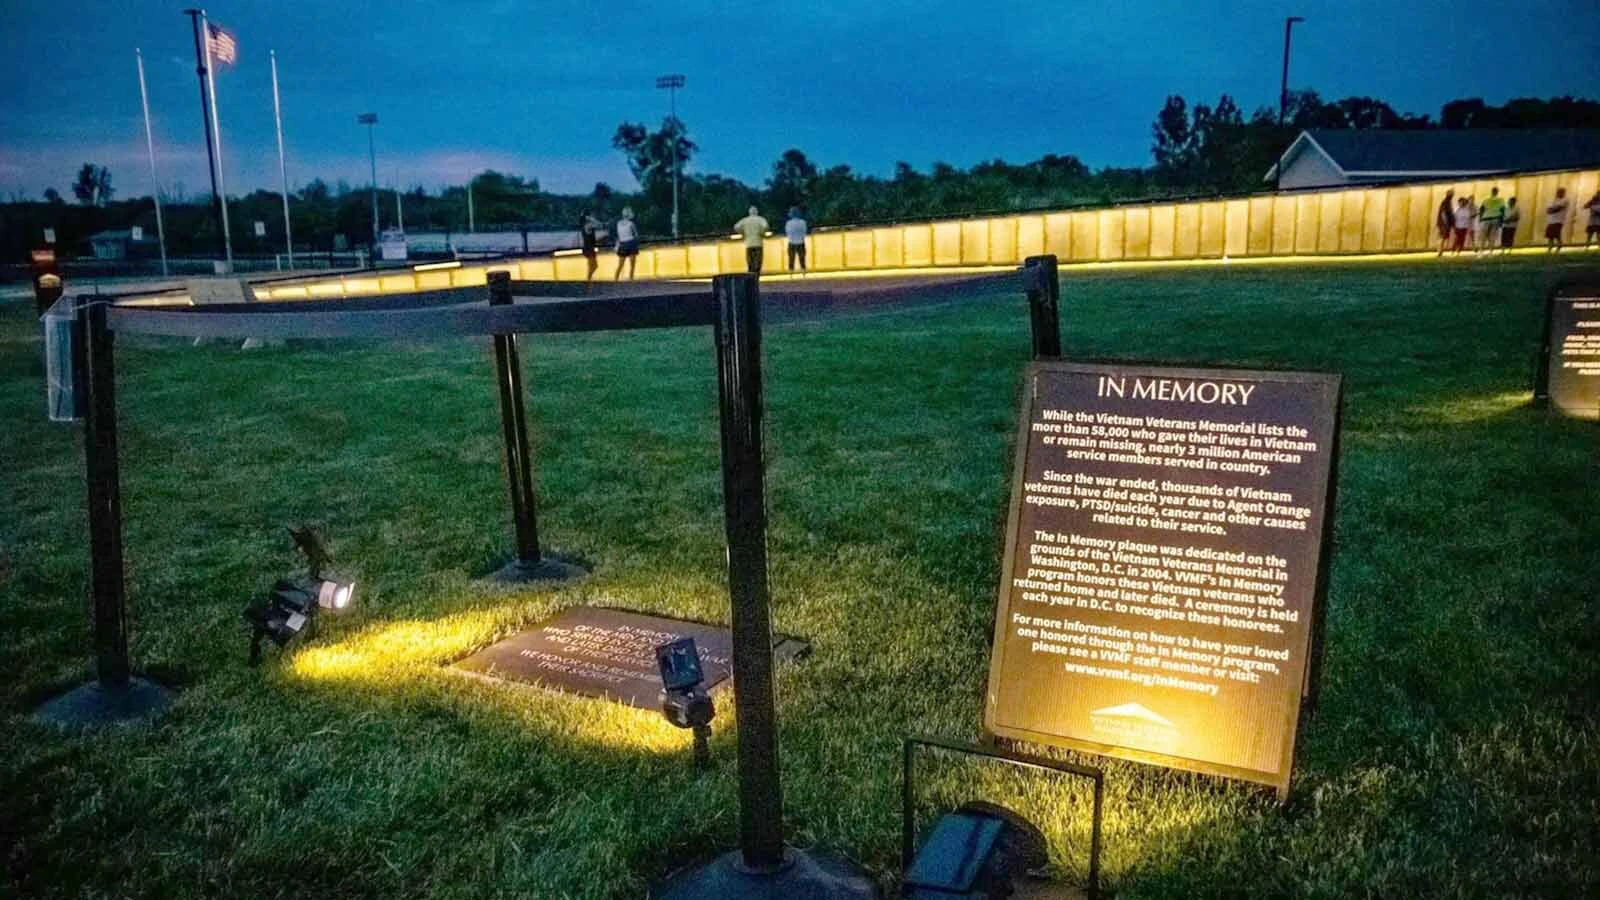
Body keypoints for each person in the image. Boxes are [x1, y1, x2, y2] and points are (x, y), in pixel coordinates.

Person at [734, 205, 769, 274]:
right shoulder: (760, 219)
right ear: (757, 212)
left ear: (749, 212)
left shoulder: (745, 220)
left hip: (749, 244)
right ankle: (757, 274)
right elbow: (766, 226)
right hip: (758, 243)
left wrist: (743, 233)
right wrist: (762, 233)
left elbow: (736, 227)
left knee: (750, 262)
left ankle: (751, 275)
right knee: (758, 262)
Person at [1476, 188, 1505, 256]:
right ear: (1497, 192)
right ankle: (1490, 253)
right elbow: (1502, 210)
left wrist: (1480, 219)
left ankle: (1481, 252)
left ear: (1491, 191)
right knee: (1492, 236)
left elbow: (1481, 209)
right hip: (1495, 218)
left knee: (1483, 236)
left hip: (1486, 219)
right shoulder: (1501, 200)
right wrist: (1501, 221)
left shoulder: (1486, 199)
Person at [613, 207, 639, 279]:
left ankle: (615, 280)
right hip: (631, 244)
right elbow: (636, 235)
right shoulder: (631, 223)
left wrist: (617, 245)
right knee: (632, 265)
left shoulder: (618, 223)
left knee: (620, 265)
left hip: (623, 244)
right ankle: (631, 279)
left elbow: (618, 235)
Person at [1545, 188, 1570, 252]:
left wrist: (1551, 210)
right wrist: (1551, 210)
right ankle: (1549, 248)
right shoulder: (1554, 200)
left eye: (1560, 192)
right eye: (1558, 192)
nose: (1558, 193)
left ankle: (1559, 247)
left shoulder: (1565, 200)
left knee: (1557, 235)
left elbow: (1558, 208)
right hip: (1551, 220)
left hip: (1558, 220)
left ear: (1563, 193)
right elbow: (1548, 209)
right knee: (1550, 236)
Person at [579, 210, 600, 284]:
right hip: (589, 248)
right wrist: (592, 219)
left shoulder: (585, 225)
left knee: (591, 266)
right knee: (594, 266)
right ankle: (588, 280)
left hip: (588, 248)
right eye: (591, 215)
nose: (593, 216)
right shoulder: (588, 225)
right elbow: (598, 224)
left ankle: (589, 280)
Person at [784, 207, 808, 273]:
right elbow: (804, 231)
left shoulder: (789, 223)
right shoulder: (803, 222)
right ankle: (803, 270)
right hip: (801, 242)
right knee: (802, 258)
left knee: (791, 258)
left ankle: (791, 271)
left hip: (791, 242)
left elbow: (787, 232)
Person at [1436, 189, 1456, 256]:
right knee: (1442, 237)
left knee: (1443, 237)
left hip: (1444, 223)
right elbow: (1443, 213)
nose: (1452, 195)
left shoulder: (1448, 202)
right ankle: (1440, 251)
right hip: (1444, 223)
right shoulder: (1445, 202)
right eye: (1451, 194)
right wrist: (1445, 223)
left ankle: (1440, 251)